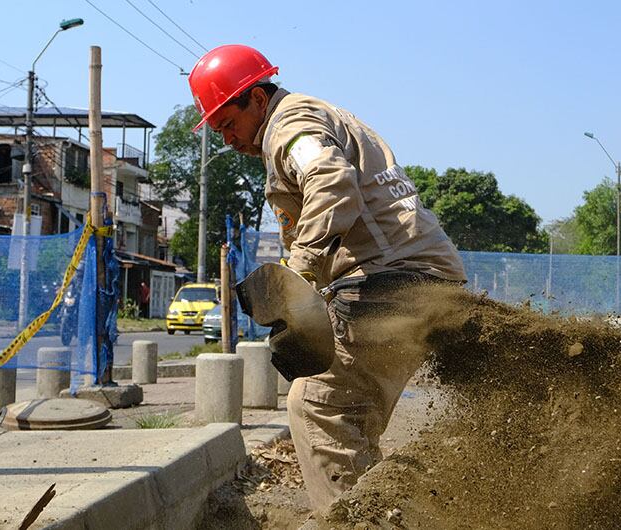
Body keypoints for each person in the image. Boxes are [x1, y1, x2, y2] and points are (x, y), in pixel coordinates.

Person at [187, 44, 467, 509]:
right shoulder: (307, 118)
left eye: (228, 124)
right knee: (347, 414)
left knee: (318, 405)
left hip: (391, 282)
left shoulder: (290, 126)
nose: (227, 140)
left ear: (257, 98)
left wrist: (295, 273)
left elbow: (331, 182)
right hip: (415, 277)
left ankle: (355, 521)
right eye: (218, 130)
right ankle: (385, 511)